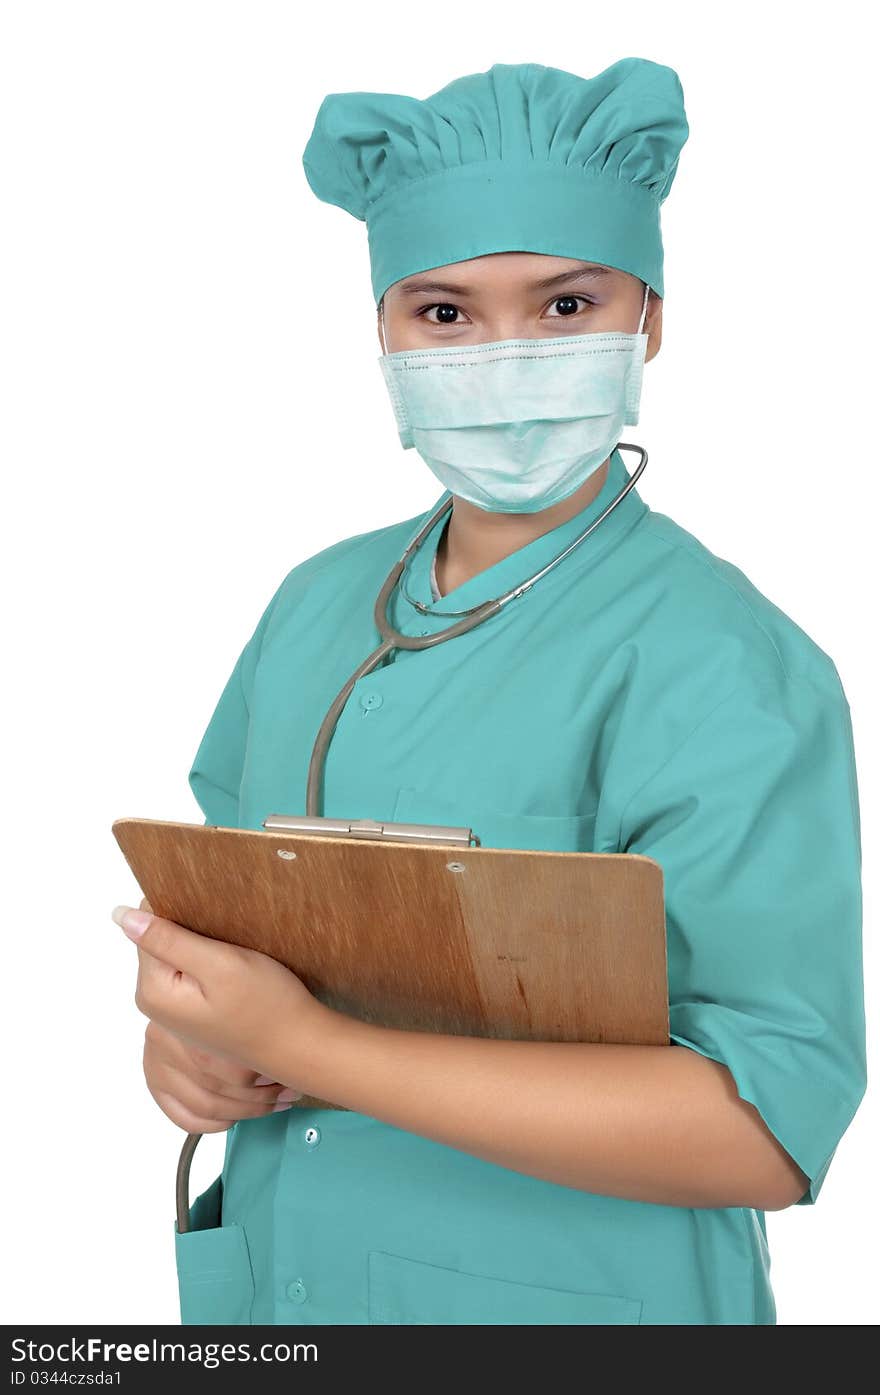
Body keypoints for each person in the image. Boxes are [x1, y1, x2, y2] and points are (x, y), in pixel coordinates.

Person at [125, 58, 867, 1326]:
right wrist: (191, 1045)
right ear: (383, 331)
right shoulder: (316, 603)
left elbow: (763, 1130)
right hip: (291, 1287)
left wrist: (312, 1049)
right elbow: (225, 926)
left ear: (652, 319)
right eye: (446, 315)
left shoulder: (723, 662)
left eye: (566, 304)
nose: (504, 355)